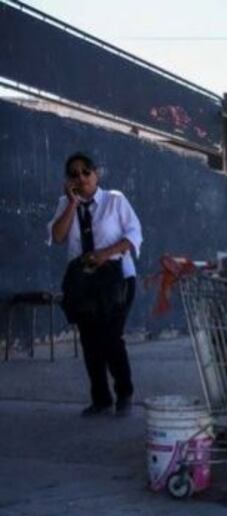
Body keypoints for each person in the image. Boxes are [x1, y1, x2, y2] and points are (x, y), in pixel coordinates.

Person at [48, 152, 143, 417]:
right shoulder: (64, 203)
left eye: (85, 172)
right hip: (84, 283)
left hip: (118, 279)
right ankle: (101, 398)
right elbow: (57, 236)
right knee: (90, 340)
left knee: (111, 337)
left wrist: (105, 253)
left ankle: (124, 392)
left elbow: (134, 234)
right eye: (74, 174)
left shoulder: (115, 200)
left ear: (96, 174)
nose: (80, 178)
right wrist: (71, 204)